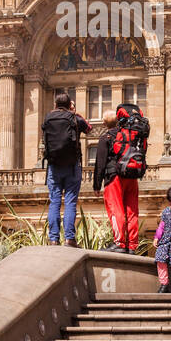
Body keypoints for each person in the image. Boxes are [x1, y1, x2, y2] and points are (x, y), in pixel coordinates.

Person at [41, 93, 90, 246]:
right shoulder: (74, 118)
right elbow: (89, 128)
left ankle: (53, 238)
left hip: (54, 165)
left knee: (54, 201)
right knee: (70, 202)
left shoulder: (48, 118)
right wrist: (74, 112)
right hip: (72, 165)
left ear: (55, 105)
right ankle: (69, 238)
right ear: (70, 105)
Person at [93, 109, 139, 253]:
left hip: (114, 177)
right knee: (132, 211)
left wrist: (97, 185)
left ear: (105, 123)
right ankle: (132, 245)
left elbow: (100, 163)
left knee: (116, 209)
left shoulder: (105, 137)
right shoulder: (129, 135)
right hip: (132, 176)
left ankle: (119, 243)